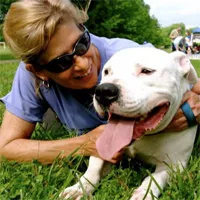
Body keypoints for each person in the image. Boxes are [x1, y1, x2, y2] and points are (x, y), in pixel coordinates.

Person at [0, 0, 199, 165]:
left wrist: (192, 108)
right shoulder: (31, 76)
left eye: (81, 44)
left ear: (83, 28)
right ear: (39, 71)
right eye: (62, 62)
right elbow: (5, 147)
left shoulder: (126, 55)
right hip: (59, 117)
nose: (82, 63)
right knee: (50, 123)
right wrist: (83, 144)